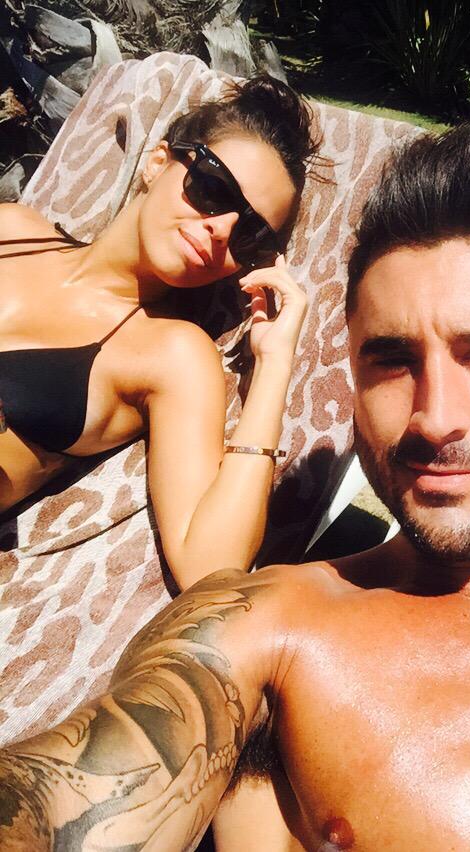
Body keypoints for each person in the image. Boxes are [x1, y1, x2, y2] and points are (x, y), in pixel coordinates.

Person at [3, 119, 470, 852]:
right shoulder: (272, 630)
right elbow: (71, 794)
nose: (435, 417)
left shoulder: (166, 356)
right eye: (391, 361)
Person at [0, 75, 317, 590]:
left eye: (250, 233)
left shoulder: (170, 355)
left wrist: (275, 365)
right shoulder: (12, 229)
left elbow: (207, 568)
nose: (221, 230)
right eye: (213, 189)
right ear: (157, 162)